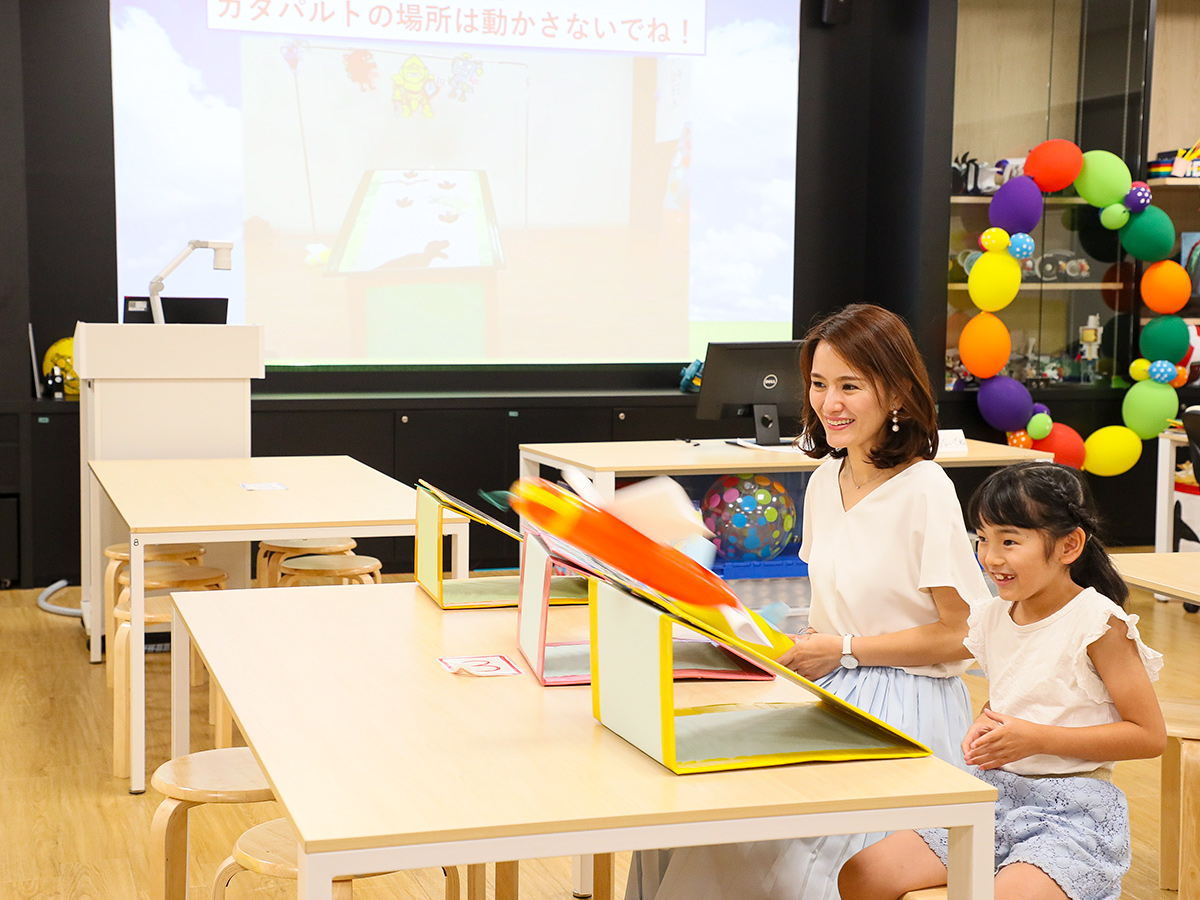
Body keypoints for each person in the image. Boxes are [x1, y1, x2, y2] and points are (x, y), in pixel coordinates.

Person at [626, 303, 991, 900]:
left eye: (851, 385)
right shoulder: (825, 481)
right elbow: (833, 614)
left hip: (907, 709)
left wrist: (844, 650)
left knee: (780, 849)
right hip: (834, 689)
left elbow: (966, 634)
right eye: (819, 385)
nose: (830, 403)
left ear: (897, 392)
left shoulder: (925, 488)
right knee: (698, 814)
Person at [838, 461, 1165, 900]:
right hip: (995, 797)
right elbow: (1018, 695)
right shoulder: (992, 616)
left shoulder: (1099, 623)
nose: (991, 557)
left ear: (1069, 545)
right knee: (864, 874)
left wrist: (1036, 739)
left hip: (1071, 815)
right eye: (983, 539)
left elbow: (1148, 737)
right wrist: (986, 724)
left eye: (1009, 541)